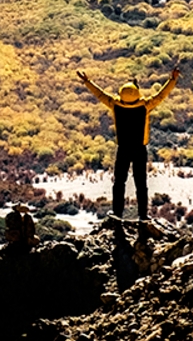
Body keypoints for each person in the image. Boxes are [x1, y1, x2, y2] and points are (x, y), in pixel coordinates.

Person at [77, 66, 180, 225]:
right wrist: (172, 80)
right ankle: (143, 216)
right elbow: (161, 95)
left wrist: (87, 82)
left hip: (123, 149)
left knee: (119, 182)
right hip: (140, 149)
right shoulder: (145, 105)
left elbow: (100, 94)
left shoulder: (115, 104)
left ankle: (117, 213)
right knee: (141, 183)